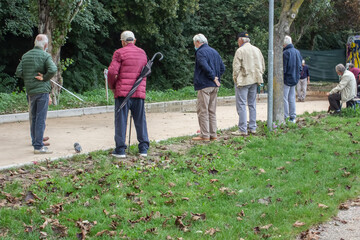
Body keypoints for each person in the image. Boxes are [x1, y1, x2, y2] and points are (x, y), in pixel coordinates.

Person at [107, 31, 149, 158]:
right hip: (139, 92)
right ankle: (143, 149)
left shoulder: (119, 52)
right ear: (134, 40)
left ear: (123, 42)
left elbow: (111, 72)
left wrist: (112, 86)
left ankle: (120, 150)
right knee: (140, 120)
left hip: (123, 94)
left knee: (121, 121)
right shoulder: (142, 53)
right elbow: (146, 72)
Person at [15, 34, 57, 154]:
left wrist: (28, 78)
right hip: (42, 91)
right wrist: (44, 78)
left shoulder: (26, 55)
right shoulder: (45, 55)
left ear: (35, 43)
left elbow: (18, 72)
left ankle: (36, 140)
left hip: (30, 91)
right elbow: (53, 69)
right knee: (40, 118)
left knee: (33, 117)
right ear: (45, 45)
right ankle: (38, 147)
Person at [192, 34, 225, 141]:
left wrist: (212, 77)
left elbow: (204, 65)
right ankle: (213, 134)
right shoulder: (214, 51)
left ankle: (205, 135)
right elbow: (222, 68)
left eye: (194, 43)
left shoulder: (200, 52)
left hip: (205, 84)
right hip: (215, 86)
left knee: (203, 110)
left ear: (197, 42)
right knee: (212, 110)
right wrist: (217, 77)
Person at [231, 32, 265, 136]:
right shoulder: (257, 50)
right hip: (255, 80)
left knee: (241, 105)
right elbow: (263, 66)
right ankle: (253, 127)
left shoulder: (240, 51)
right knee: (252, 104)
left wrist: (235, 79)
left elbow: (236, 68)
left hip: (243, 81)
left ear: (240, 40)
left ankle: (242, 129)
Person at [283, 35, 302, 123]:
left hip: (286, 79)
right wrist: (297, 76)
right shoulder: (297, 52)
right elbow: (300, 67)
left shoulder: (285, 53)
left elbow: (284, 68)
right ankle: (292, 117)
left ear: (284, 44)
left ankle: (285, 116)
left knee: (284, 98)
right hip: (295, 78)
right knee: (291, 98)